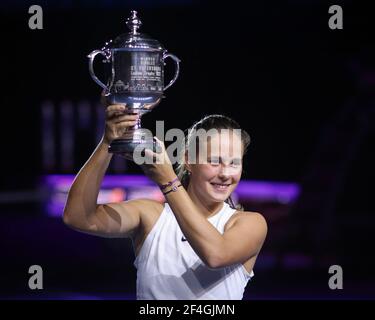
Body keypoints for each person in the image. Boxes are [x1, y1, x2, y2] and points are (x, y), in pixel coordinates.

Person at [63, 102, 267, 300]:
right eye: (214, 161)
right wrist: (107, 142)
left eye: (234, 163)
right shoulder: (151, 216)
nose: (225, 174)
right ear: (188, 160)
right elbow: (77, 217)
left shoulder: (249, 223)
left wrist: (168, 181)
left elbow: (216, 255)